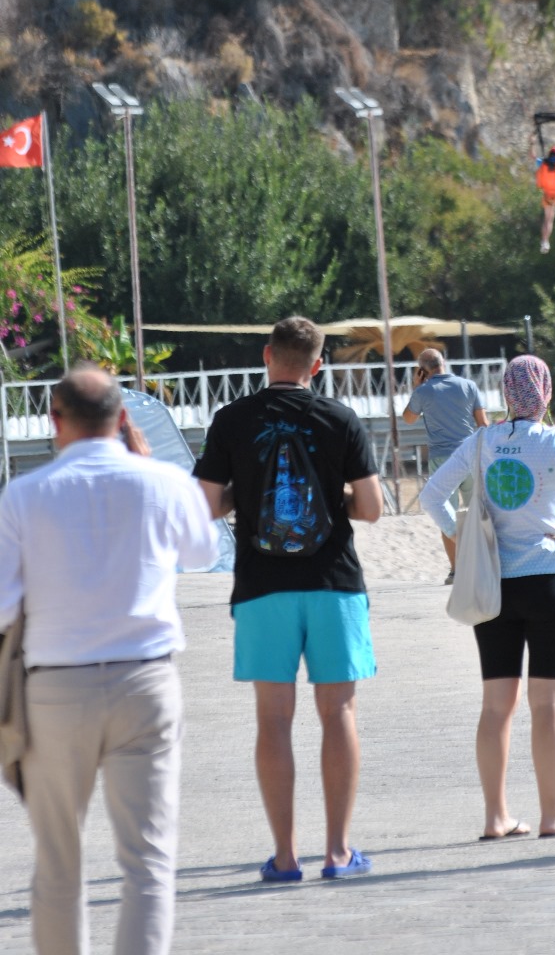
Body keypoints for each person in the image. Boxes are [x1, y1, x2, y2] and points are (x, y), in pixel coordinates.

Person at [0, 364, 218, 955]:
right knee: (148, 860)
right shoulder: (163, 482)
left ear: (55, 422)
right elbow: (202, 553)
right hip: (144, 678)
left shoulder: (22, 495)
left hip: (55, 687)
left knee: (58, 861)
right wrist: (152, 466)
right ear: (123, 419)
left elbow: (2, 605)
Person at [194, 315, 383, 884]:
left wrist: (246, 497)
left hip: (261, 587)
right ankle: (338, 853)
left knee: (273, 720)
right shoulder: (340, 418)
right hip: (333, 583)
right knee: (339, 713)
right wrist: (334, 497)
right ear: (317, 364)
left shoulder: (231, 419)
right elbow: (372, 508)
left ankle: (283, 857)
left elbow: (205, 506)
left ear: (267, 355)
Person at [420, 353, 555, 841]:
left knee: (495, 706)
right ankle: (553, 816)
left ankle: (496, 817)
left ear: (505, 392)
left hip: (494, 586)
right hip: (549, 581)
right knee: (547, 704)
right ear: (545, 392)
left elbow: (432, 496)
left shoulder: (480, 441)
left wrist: (462, 542)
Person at [402, 348, 487, 582]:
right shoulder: (468, 385)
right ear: (444, 363)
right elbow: (483, 424)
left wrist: (415, 388)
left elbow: (408, 418)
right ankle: (484, 564)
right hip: (469, 454)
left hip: (442, 459)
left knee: (445, 515)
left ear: (422, 370)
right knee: (478, 513)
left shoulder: (424, 391)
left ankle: (456, 570)